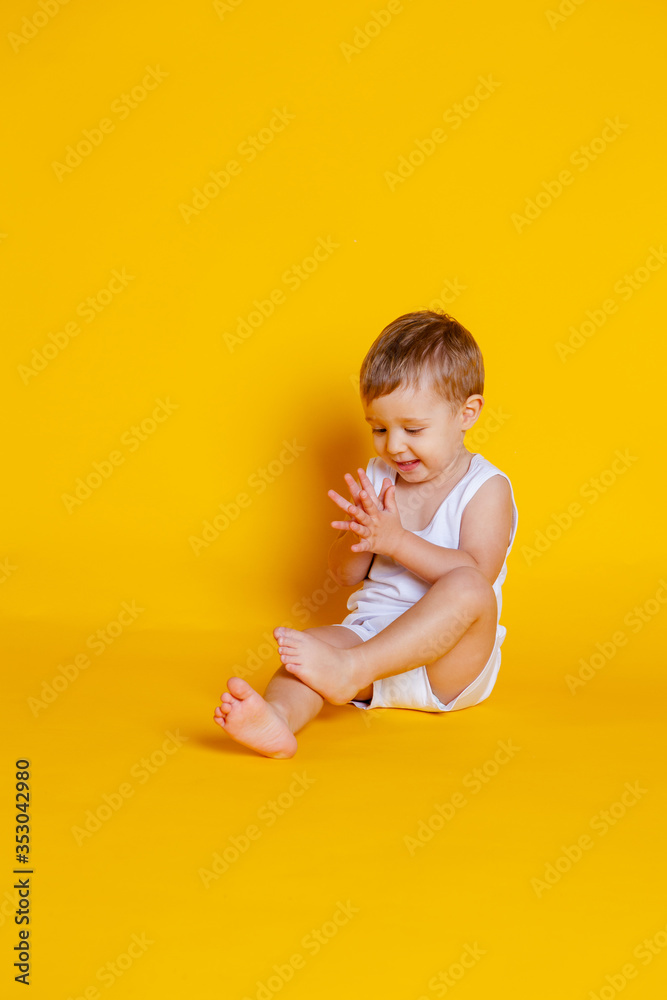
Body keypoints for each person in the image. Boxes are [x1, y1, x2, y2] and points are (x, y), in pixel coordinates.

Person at [214, 309, 518, 759]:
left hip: (447, 665)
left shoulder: (486, 487)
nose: (394, 446)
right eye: (378, 429)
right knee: (309, 653)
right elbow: (343, 574)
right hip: (371, 637)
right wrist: (362, 539)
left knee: (471, 588)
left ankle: (350, 670)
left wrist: (396, 541)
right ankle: (278, 718)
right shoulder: (380, 477)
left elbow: (476, 573)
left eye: (413, 429)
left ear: (466, 413)